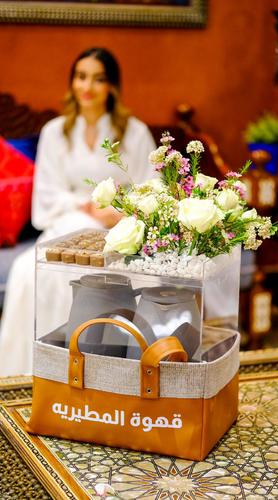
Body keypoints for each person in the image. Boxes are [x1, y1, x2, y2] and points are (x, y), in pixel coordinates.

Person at [0, 47, 156, 376]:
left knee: (108, 275)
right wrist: (84, 207)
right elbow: (45, 195)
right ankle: (26, 372)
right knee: (27, 273)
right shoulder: (55, 132)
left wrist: (118, 212)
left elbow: (149, 189)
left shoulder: (135, 132)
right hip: (66, 224)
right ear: (72, 82)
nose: (87, 86)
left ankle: (95, 373)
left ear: (112, 86)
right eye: (81, 77)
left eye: (98, 79)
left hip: (117, 229)